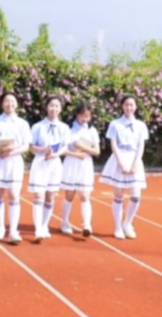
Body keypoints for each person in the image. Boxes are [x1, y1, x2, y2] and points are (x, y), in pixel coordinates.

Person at [0, 92, 32, 244]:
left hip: (14, 162)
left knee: (14, 195)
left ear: (17, 104)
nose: (9, 104)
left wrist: (11, 152)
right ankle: (0, 227)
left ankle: (13, 231)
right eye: (6, 101)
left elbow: (26, 146)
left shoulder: (23, 123)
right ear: (2, 104)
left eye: (12, 101)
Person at [99, 94, 149, 239]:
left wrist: (135, 163)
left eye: (131, 105)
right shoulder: (115, 124)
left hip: (134, 158)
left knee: (136, 196)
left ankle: (128, 223)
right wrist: (121, 162)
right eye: (126, 105)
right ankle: (117, 226)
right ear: (122, 106)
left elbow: (141, 146)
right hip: (119, 158)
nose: (129, 107)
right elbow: (113, 144)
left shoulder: (141, 125)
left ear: (136, 107)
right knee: (118, 194)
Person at [27, 95, 71, 240]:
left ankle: (45, 225)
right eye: (51, 105)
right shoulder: (38, 126)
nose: (54, 109)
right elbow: (31, 146)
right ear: (46, 107)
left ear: (61, 108)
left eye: (57, 106)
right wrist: (42, 149)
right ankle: (38, 229)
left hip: (55, 163)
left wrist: (56, 154)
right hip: (40, 162)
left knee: (50, 196)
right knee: (39, 195)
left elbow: (65, 147)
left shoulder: (64, 128)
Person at [59, 100, 100, 237]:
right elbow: (62, 150)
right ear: (77, 114)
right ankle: (65, 222)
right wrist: (76, 152)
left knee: (85, 195)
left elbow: (97, 151)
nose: (85, 119)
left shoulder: (92, 130)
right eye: (83, 116)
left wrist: (82, 147)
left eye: (88, 116)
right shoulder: (68, 129)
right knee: (69, 195)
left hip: (85, 164)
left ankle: (86, 224)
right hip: (71, 163)